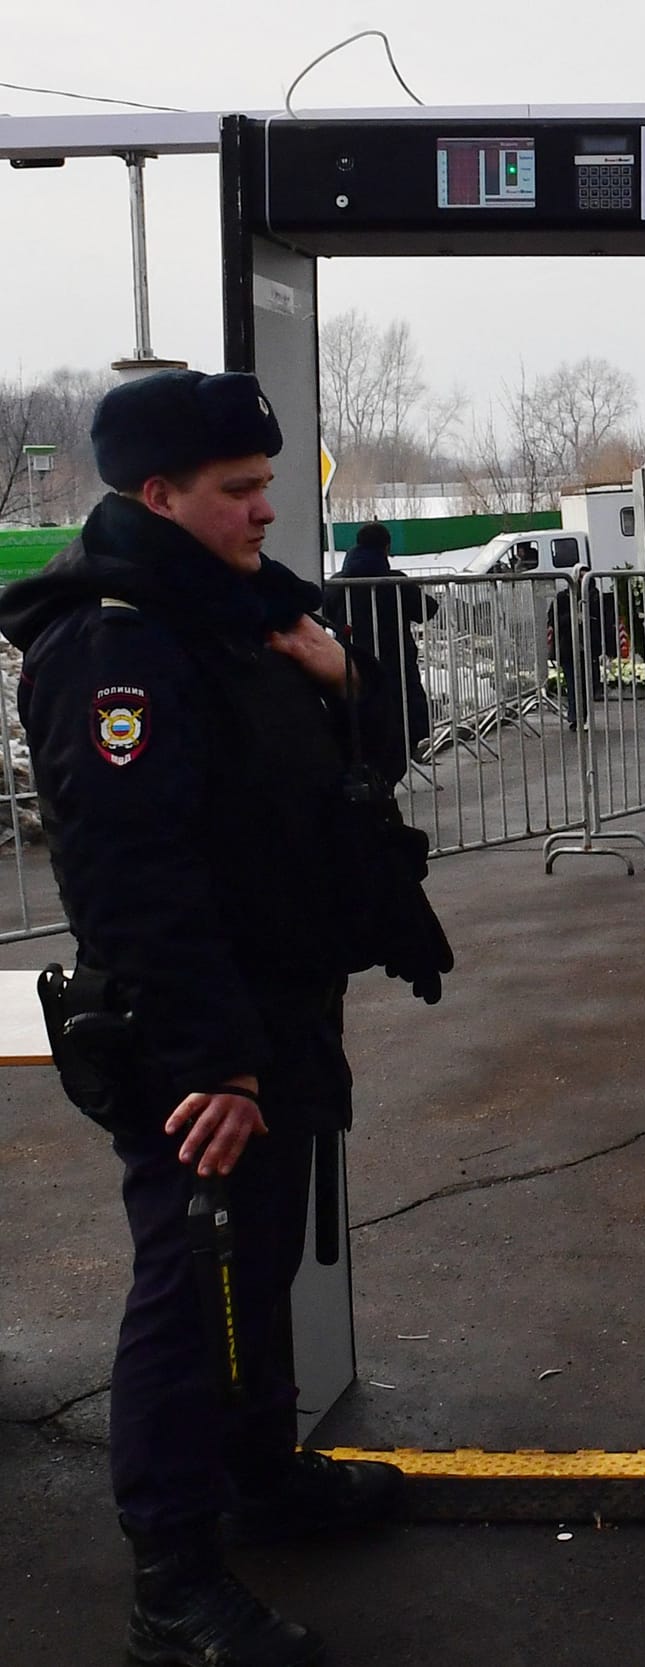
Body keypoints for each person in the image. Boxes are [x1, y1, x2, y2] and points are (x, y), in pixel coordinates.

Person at [0, 369, 453, 1667]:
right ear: (159, 493)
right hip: (202, 1034)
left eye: (268, 484)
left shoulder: (243, 615)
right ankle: (176, 1585)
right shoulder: (119, 641)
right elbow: (131, 875)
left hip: (280, 1011)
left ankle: (265, 1481)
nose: (268, 509)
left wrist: (344, 669)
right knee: (194, 1295)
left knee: (254, 1273)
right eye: (240, 491)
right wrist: (214, 1061)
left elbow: (368, 758)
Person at [322, 520, 437, 754]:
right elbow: (427, 609)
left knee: (360, 715)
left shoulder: (338, 583)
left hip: (351, 661)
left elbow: (326, 615)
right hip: (395, 660)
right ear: (386, 548)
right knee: (401, 711)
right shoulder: (394, 582)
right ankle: (403, 756)